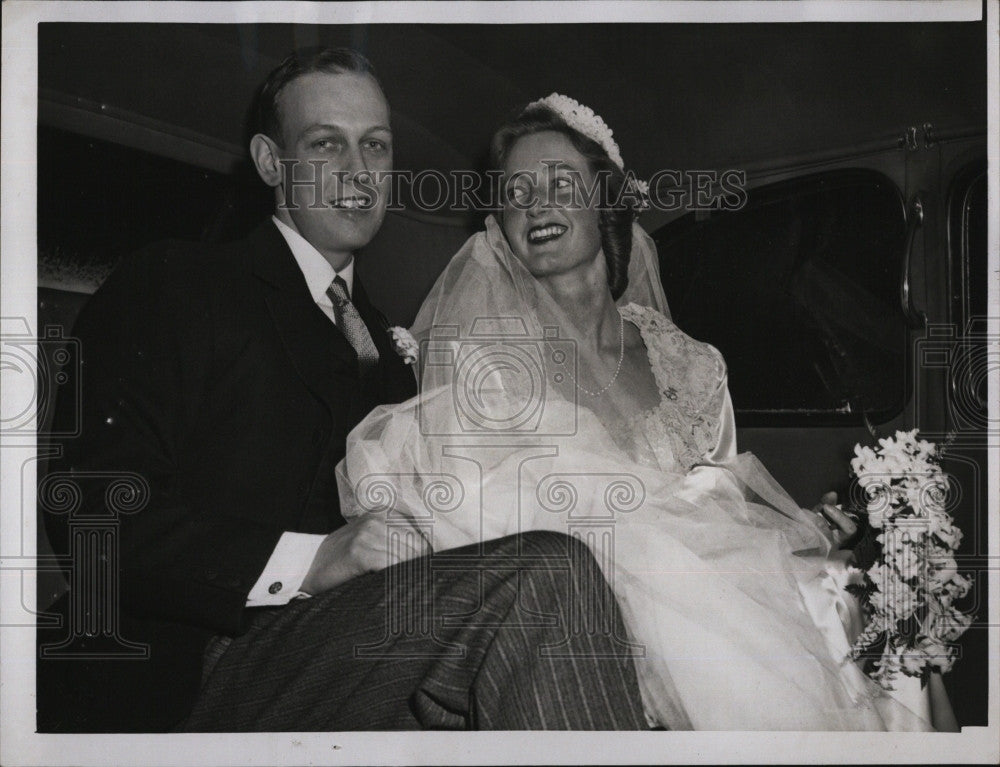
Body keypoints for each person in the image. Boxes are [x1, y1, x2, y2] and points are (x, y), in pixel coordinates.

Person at [37, 50, 648, 732]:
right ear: (271, 163)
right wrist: (312, 557)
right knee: (548, 576)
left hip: (364, 657)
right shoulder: (177, 283)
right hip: (194, 670)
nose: (359, 173)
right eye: (327, 144)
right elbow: (93, 512)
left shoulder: (396, 349)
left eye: (376, 146)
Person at [335, 94, 958, 730]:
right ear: (500, 226)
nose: (535, 204)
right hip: (589, 620)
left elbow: (719, 496)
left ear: (606, 201)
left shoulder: (690, 363)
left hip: (723, 596)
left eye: (560, 183)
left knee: (855, 597)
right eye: (516, 192)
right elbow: (493, 546)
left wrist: (805, 528)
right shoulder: (489, 368)